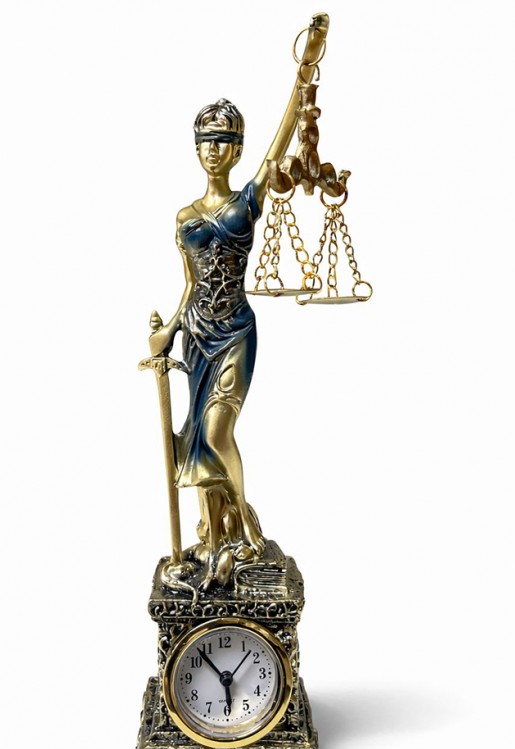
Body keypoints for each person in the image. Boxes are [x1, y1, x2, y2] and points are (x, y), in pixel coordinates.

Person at [148, 23, 327, 574]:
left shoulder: (247, 202)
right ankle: (214, 537)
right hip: (198, 335)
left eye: (224, 141)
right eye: (206, 141)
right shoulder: (184, 217)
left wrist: (303, 77)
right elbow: (189, 285)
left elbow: (280, 145)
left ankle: (246, 526)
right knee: (197, 445)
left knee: (217, 430)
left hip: (235, 333)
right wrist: (168, 331)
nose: (214, 150)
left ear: (238, 149)